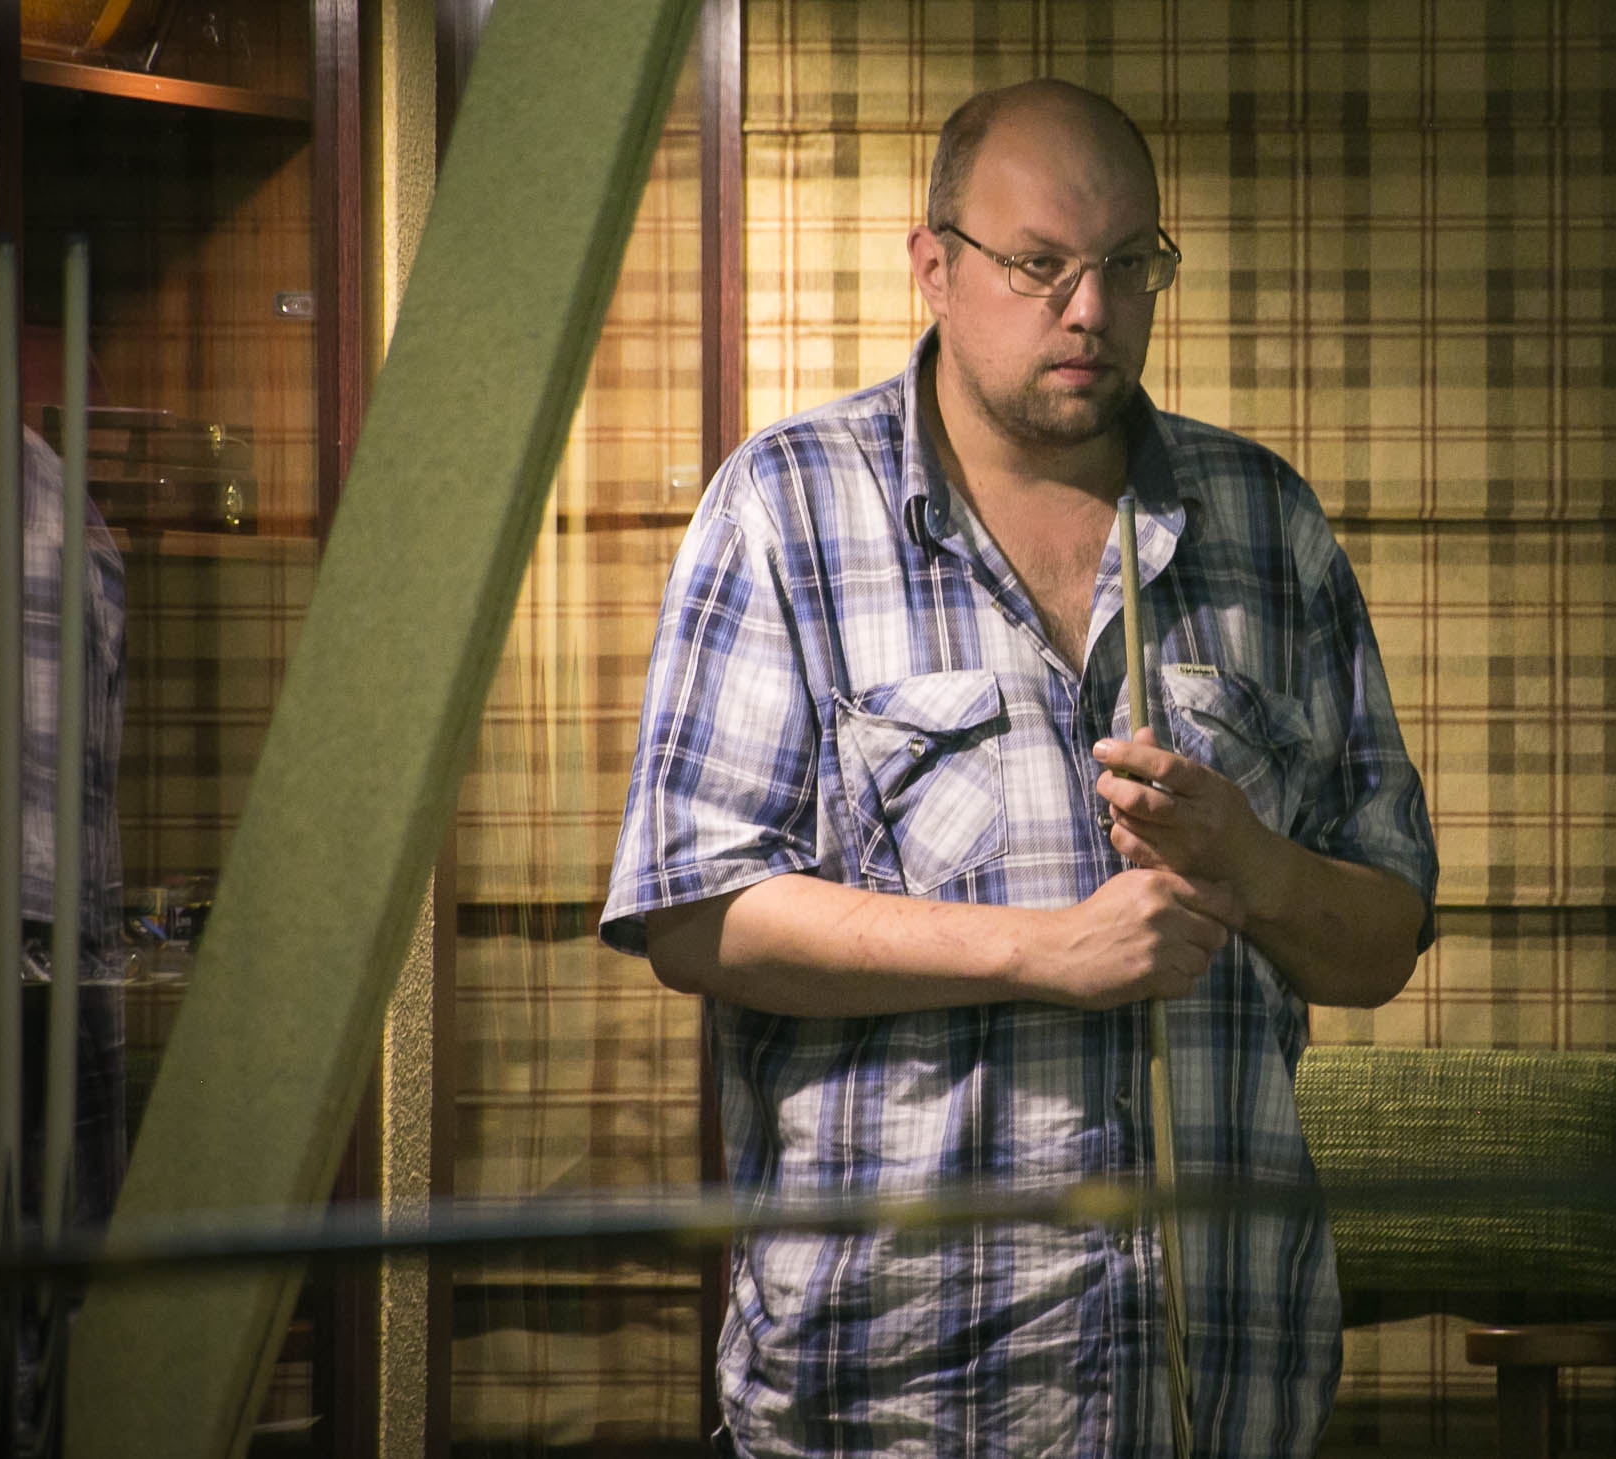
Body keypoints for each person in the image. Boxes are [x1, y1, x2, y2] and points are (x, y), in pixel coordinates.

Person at [603, 79, 1437, 1459]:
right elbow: (695, 916)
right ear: (934, 267)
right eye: (1040, 264)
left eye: (1129, 266)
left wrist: (1254, 868)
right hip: (893, 1396)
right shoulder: (790, 506)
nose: (1089, 309)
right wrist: (1045, 953)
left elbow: (1383, 939)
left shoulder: (1263, 520)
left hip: (1223, 1392)